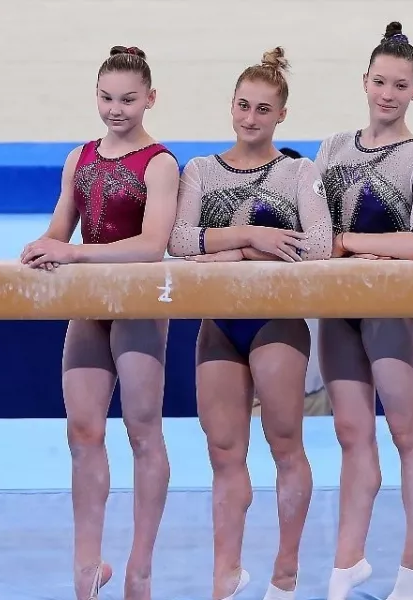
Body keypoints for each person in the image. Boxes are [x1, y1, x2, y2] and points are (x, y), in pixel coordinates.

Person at [167, 47, 333, 600]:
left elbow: (320, 245)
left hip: (275, 323)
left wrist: (233, 252)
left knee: (284, 444)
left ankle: (285, 573)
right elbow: (179, 240)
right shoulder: (200, 171)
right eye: (243, 105)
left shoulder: (298, 172)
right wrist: (249, 237)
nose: (251, 117)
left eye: (264, 109)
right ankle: (226, 575)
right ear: (231, 106)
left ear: (281, 114)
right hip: (221, 323)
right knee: (223, 452)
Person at [19, 46, 180, 600]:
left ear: (150, 99)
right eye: (107, 98)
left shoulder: (160, 163)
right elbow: (60, 228)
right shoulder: (79, 158)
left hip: (136, 304)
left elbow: (153, 245)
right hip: (90, 305)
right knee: (83, 432)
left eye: (128, 99)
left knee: (142, 432)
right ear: (96, 96)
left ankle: (140, 569)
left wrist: (75, 254)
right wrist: (43, 247)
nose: (116, 109)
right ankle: (87, 569)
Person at [313, 21, 413, 600]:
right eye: (380, 82)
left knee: (406, 431)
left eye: (400, 85)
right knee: (350, 432)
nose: (388, 94)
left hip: (387, 305)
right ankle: (348, 562)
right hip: (338, 305)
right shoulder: (332, 148)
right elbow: (314, 228)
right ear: (364, 81)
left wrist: (347, 243)